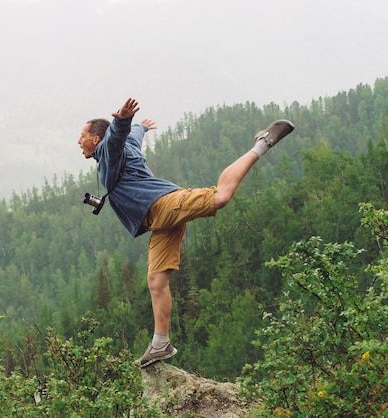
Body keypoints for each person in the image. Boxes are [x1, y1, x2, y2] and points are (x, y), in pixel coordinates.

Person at [77, 97, 294, 367]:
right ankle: (160, 344)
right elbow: (131, 138)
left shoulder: (108, 151)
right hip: (159, 220)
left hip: (163, 204)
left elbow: (117, 138)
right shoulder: (119, 149)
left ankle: (262, 143)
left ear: (96, 139)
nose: (78, 142)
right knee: (156, 282)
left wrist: (122, 120)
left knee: (221, 196)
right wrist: (140, 127)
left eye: (82, 136)